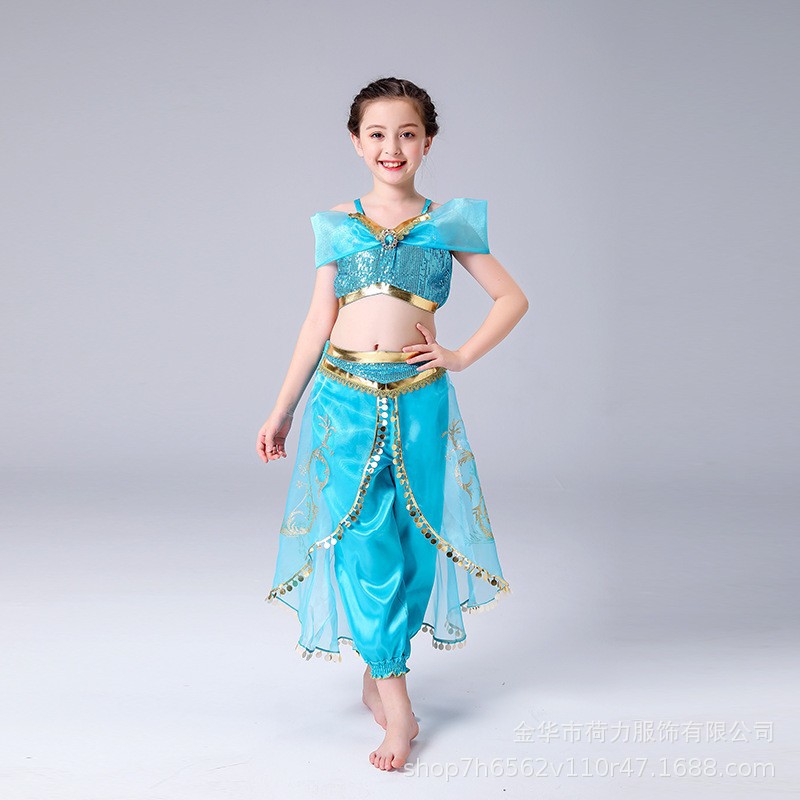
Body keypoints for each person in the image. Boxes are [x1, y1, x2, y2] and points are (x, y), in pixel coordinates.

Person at [256, 77, 529, 772]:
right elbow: (317, 320)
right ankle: (399, 705)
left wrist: (459, 354)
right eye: (377, 134)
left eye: (407, 133)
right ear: (356, 142)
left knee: (412, 544)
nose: (392, 146)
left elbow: (511, 298)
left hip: (419, 399)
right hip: (344, 398)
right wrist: (283, 407)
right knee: (364, 540)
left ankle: (381, 667)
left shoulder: (448, 222)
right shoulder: (336, 223)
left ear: (427, 142)